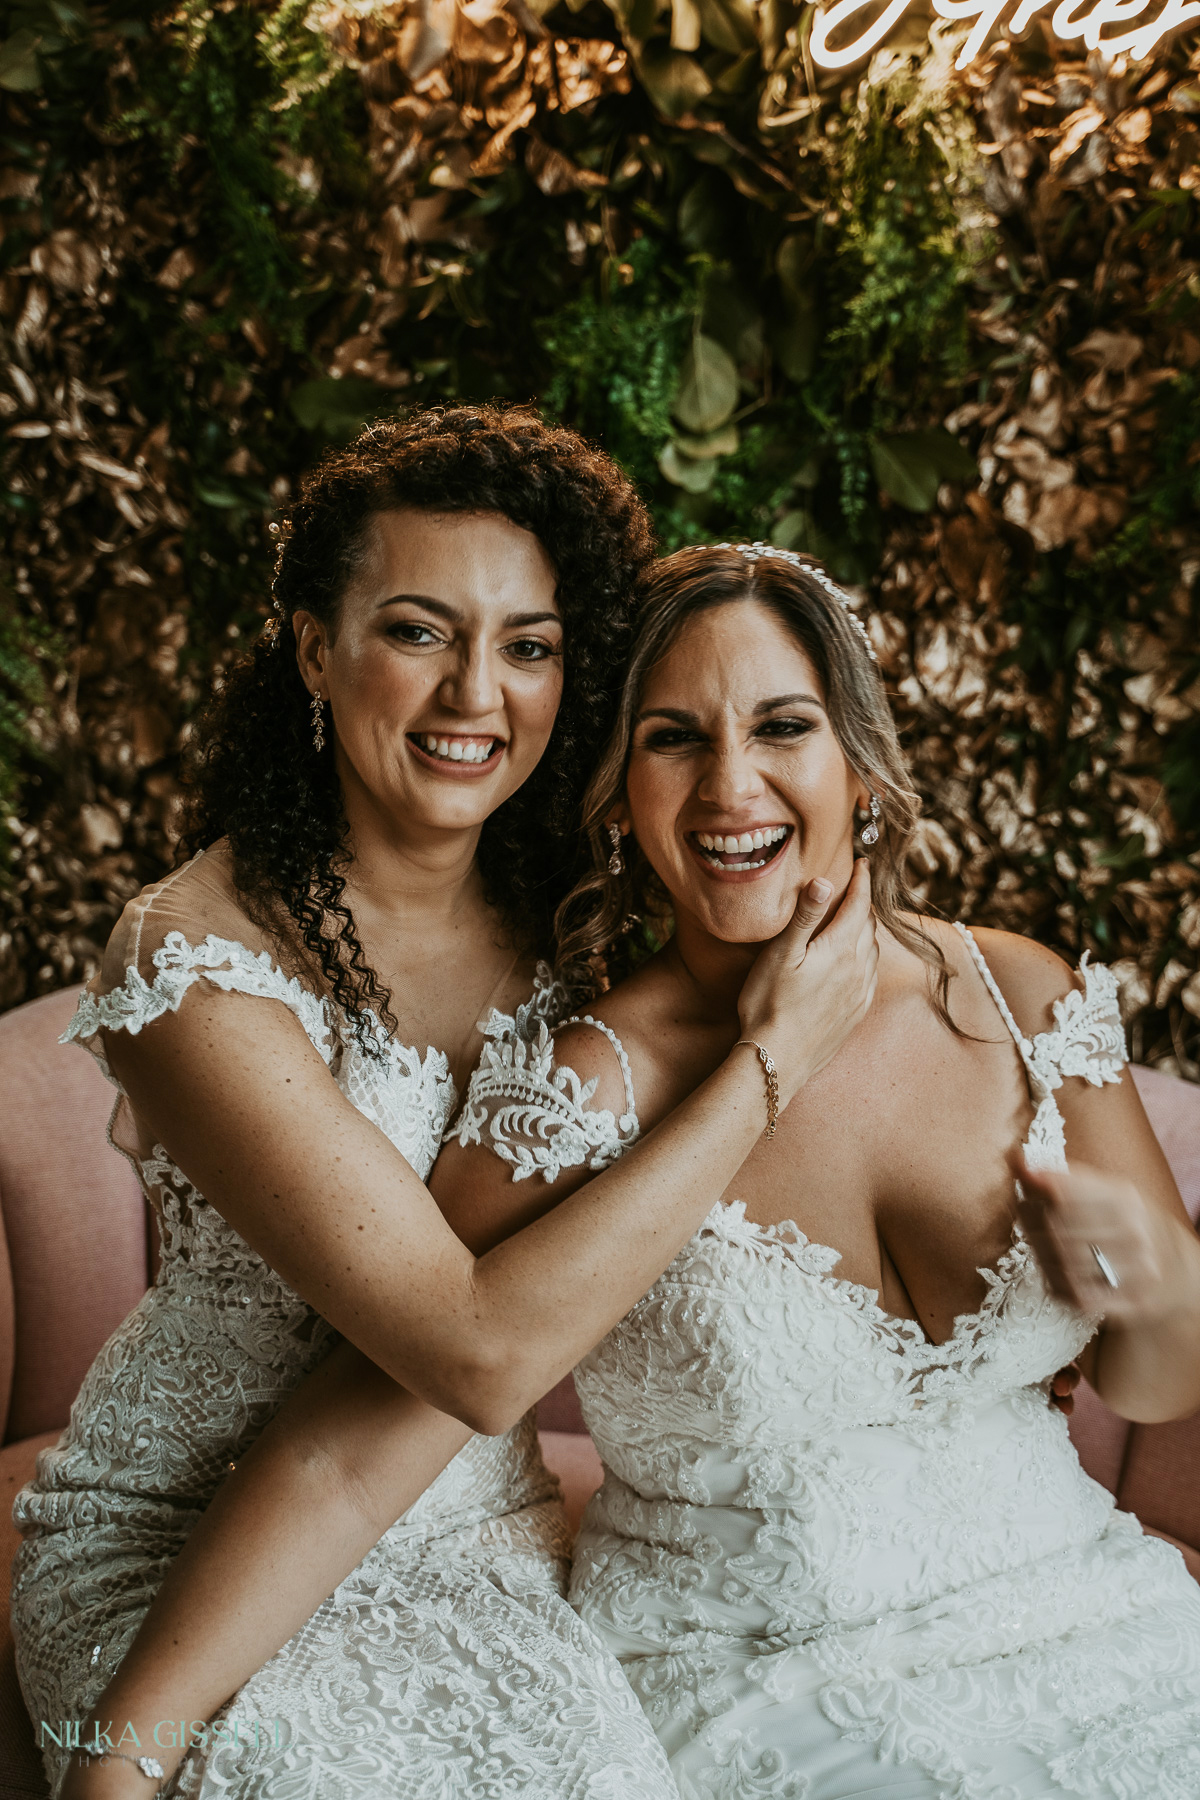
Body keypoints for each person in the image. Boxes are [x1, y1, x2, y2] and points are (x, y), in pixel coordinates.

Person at [52, 533, 1200, 1798]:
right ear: (616, 791)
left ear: (859, 761)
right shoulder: (580, 1089)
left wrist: (1151, 1292)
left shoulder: (1017, 996)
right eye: (672, 738)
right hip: (769, 1687)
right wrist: (129, 1743)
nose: (731, 787)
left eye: (782, 727)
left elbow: (1156, 1382)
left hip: (1092, 1621)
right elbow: (366, 1433)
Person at [18, 422, 877, 1800]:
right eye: (419, 632)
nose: (477, 693)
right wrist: (766, 1071)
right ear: (314, 649)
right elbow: (473, 1358)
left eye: (530, 646)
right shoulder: (194, 959)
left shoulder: (583, 929)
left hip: (473, 1533)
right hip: (182, 1548)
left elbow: (793, 863)